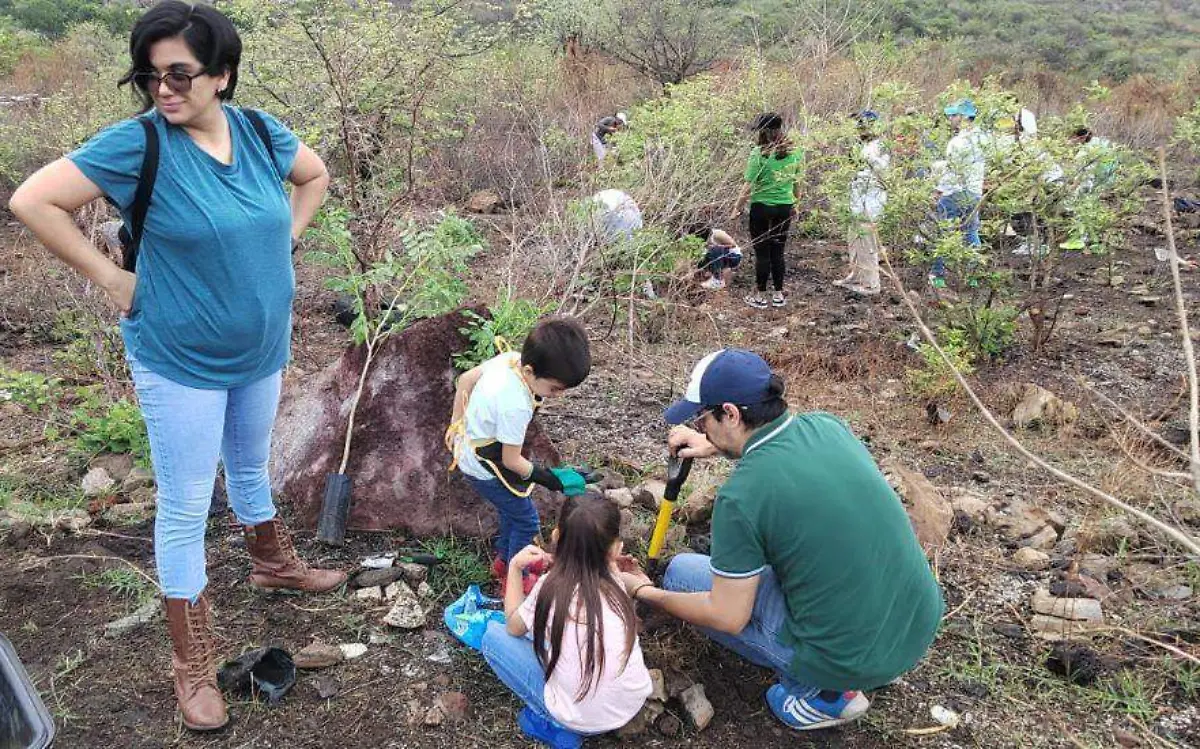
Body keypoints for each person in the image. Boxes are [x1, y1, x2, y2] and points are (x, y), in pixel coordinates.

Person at [8, 1, 341, 732]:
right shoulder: (139, 146)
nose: (163, 89)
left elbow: (314, 176)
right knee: (188, 504)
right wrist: (111, 277)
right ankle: (190, 662)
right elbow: (33, 199)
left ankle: (271, 560)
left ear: (221, 75)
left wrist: (285, 239)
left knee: (251, 467)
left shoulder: (258, 132)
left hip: (259, 348)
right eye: (150, 75)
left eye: (180, 74)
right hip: (180, 356)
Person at [618, 349, 944, 731]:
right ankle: (875, 657)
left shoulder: (740, 498)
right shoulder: (827, 426)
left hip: (848, 658)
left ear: (731, 413)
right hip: (915, 623)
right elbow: (782, 465)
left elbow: (727, 615)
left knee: (680, 575)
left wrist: (643, 592)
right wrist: (718, 445)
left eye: (703, 418)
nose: (701, 427)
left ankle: (828, 695)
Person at [481, 494, 652, 748]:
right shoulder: (617, 579)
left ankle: (552, 723)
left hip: (578, 718)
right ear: (616, 549)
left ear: (556, 536)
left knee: (492, 637)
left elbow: (514, 627)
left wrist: (515, 568)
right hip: (630, 703)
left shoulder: (549, 589)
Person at [448, 318, 593, 595]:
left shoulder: (511, 360)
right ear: (529, 370)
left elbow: (465, 380)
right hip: (484, 465)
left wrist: (456, 425)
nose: (557, 396)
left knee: (511, 509)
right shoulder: (515, 405)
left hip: (473, 448)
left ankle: (503, 561)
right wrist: (552, 479)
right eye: (554, 389)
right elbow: (512, 461)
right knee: (527, 520)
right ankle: (516, 578)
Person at [732, 113, 801, 309]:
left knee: (762, 253)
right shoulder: (795, 151)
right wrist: (796, 203)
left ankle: (760, 296)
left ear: (763, 131)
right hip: (784, 207)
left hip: (761, 207)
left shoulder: (759, 153)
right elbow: (797, 182)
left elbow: (748, 186)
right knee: (778, 252)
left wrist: (736, 208)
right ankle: (778, 295)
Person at [930, 98, 988, 287]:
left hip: (954, 193)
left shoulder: (957, 142)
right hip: (974, 193)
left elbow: (951, 172)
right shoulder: (983, 138)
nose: (950, 119)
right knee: (971, 233)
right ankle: (973, 277)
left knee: (943, 233)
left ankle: (937, 277)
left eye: (954, 115)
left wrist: (938, 191)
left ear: (964, 117)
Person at [834, 111, 889, 295]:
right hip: (857, 202)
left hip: (871, 202)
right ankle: (857, 275)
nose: (858, 129)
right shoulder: (860, 145)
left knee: (867, 243)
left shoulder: (880, 146)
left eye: (861, 125)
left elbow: (883, 172)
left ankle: (871, 284)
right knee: (855, 241)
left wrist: (866, 157)